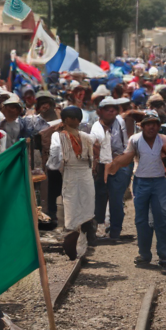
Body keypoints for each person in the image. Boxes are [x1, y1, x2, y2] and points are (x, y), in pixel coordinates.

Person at [107, 110, 166, 267]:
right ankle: (144, 254)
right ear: (142, 126)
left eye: (154, 124)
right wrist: (116, 163)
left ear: (159, 126)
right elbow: (128, 156)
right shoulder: (135, 140)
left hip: (159, 181)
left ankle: (164, 255)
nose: (151, 127)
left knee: (162, 218)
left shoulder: (164, 140)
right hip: (140, 182)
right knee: (141, 220)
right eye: (148, 124)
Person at [47, 106, 97, 260]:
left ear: (65, 120)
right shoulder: (87, 137)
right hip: (86, 174)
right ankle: (80, 249)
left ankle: (75, 247)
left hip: (71, 173)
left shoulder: (58, 136)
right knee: (84, 208)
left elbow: (54, 160)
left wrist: (55, 167)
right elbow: (93, 159)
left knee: (72, 207)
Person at [91, 97, 132, 239]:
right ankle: (98, 228)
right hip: (101, 164)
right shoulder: (95, 127)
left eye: (114, 108)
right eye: (107, 108)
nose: (111, 111)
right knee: (99, 196)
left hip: (118, 162)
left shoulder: (119, 122)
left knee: (116, 198)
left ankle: (115, 231)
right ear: (99, 111)